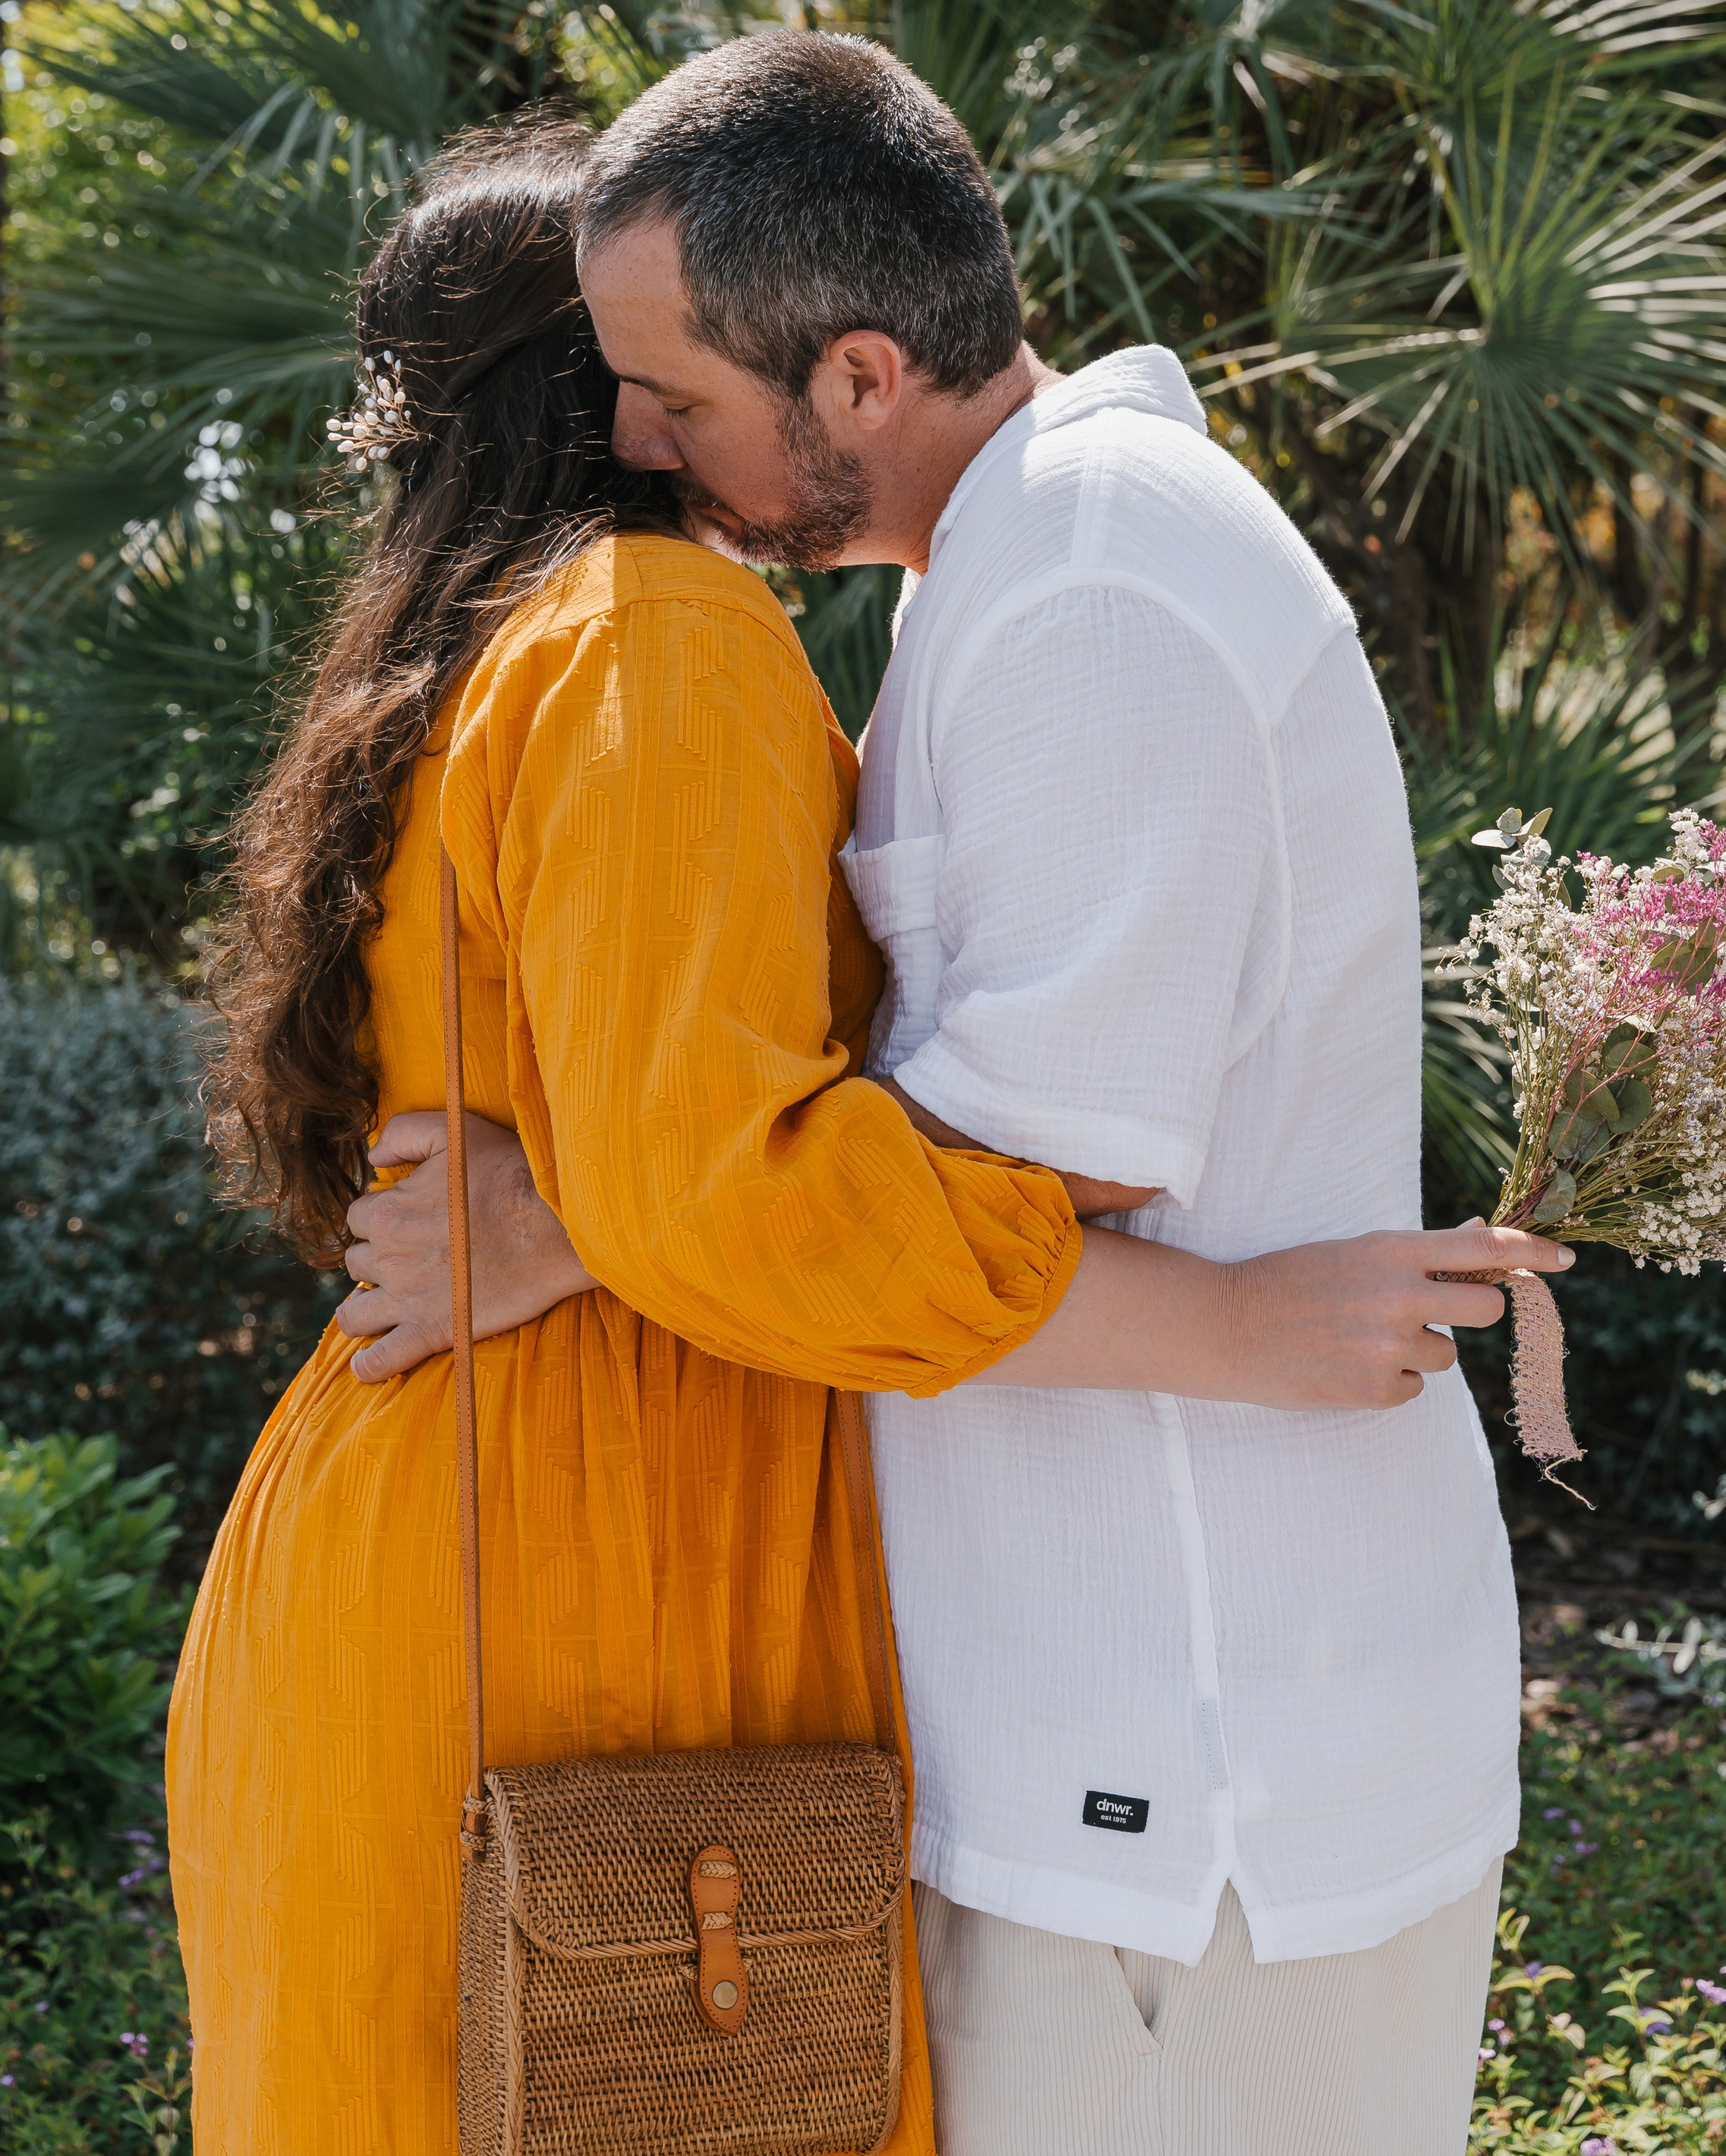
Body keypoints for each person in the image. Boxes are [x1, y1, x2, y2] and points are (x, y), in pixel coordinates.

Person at [171, 114, 1553, 2156]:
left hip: (530, 1517)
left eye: (675, 382)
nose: (647, 431)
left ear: (852, 369)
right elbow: (742, 1173)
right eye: (625, 381)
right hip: (578, 1542)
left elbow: (841, 1161)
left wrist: (584, 1222)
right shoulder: (654, 640)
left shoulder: (620, 636)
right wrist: (640, 1214)